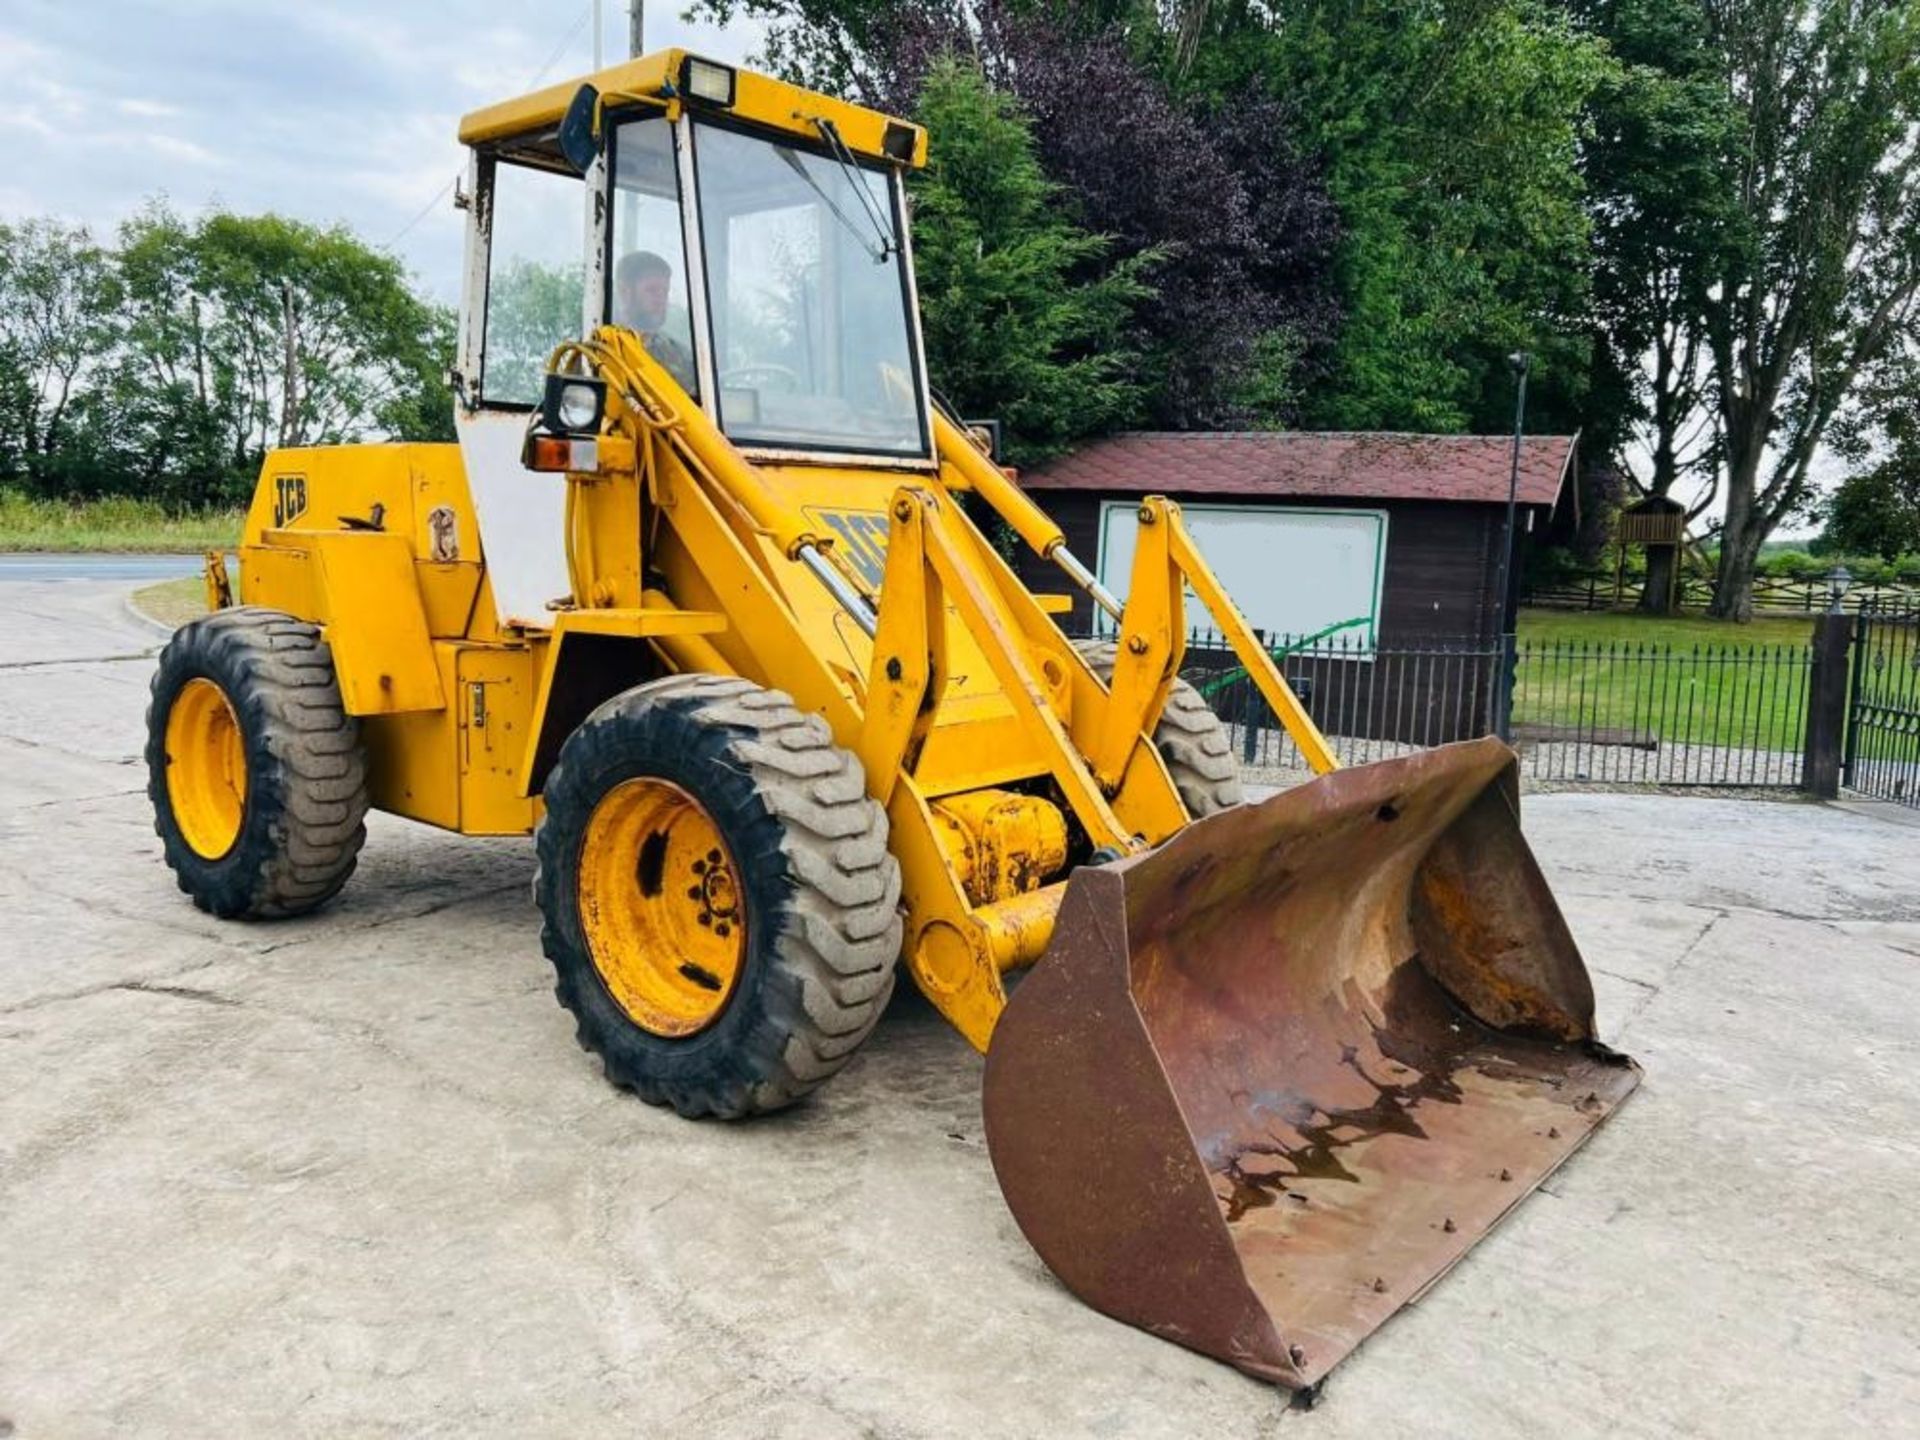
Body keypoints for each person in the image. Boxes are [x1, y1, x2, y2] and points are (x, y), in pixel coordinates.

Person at [612, 250, 697, 392]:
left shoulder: (680, 356)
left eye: (665, 291)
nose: (660, 299)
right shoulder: (599, 349)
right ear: (624, 291)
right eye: (651, 290)